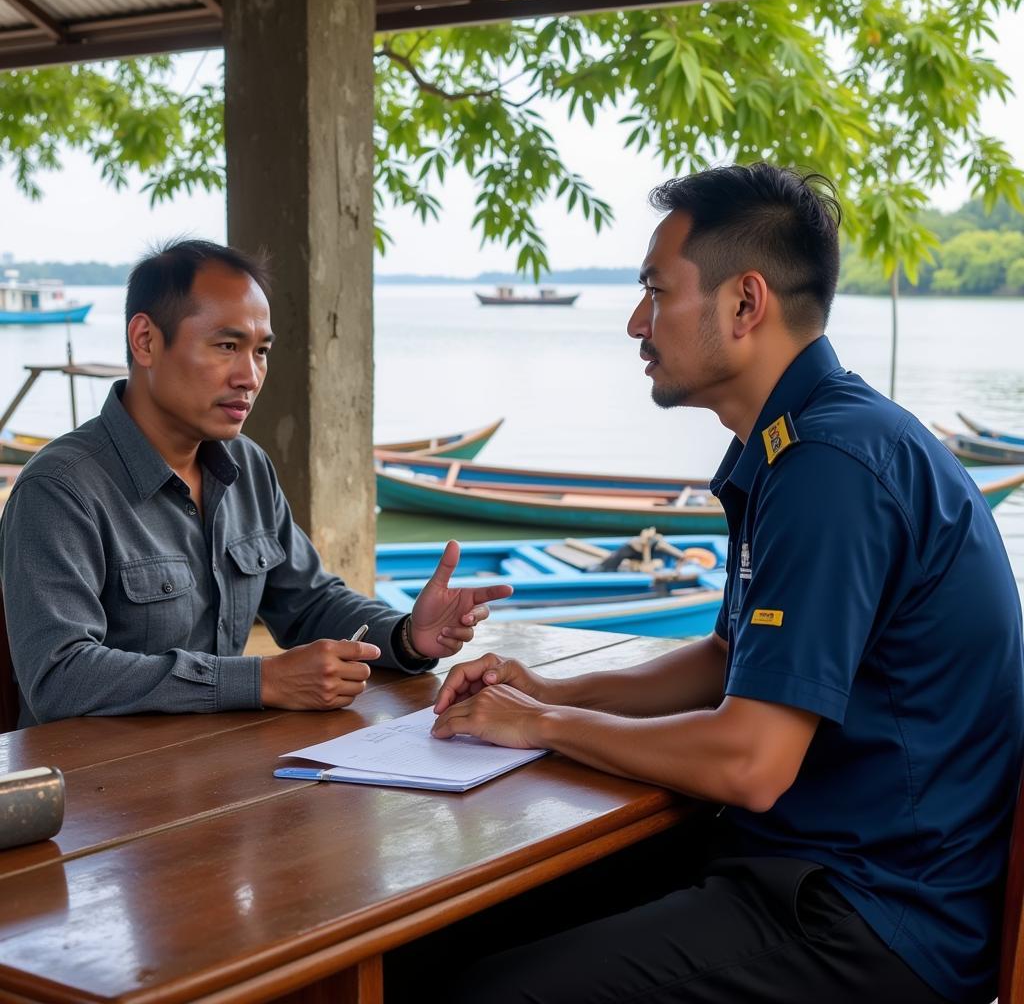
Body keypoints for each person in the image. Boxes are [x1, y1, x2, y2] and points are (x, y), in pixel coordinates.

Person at [428, 165, 1024, 1004]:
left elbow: (751, 763)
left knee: (490, 993)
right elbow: (722, 659)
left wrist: (543, 724)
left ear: (745, 303)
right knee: (450, 937)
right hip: (805, 863)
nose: (636, 323)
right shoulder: (794, 441)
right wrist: (550, 689)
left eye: (655, 291)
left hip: (878, 917)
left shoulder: (830, 466)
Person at [0, 239, 510, 727]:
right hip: (97, 783)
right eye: (227, 346)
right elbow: (59, 677)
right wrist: (260, 680)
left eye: (261, 350)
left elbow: (309, 602)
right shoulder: (60, 489)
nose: (249, 376)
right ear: (146, 340)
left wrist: (406, 635)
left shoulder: (246, 465)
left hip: (219, 763)